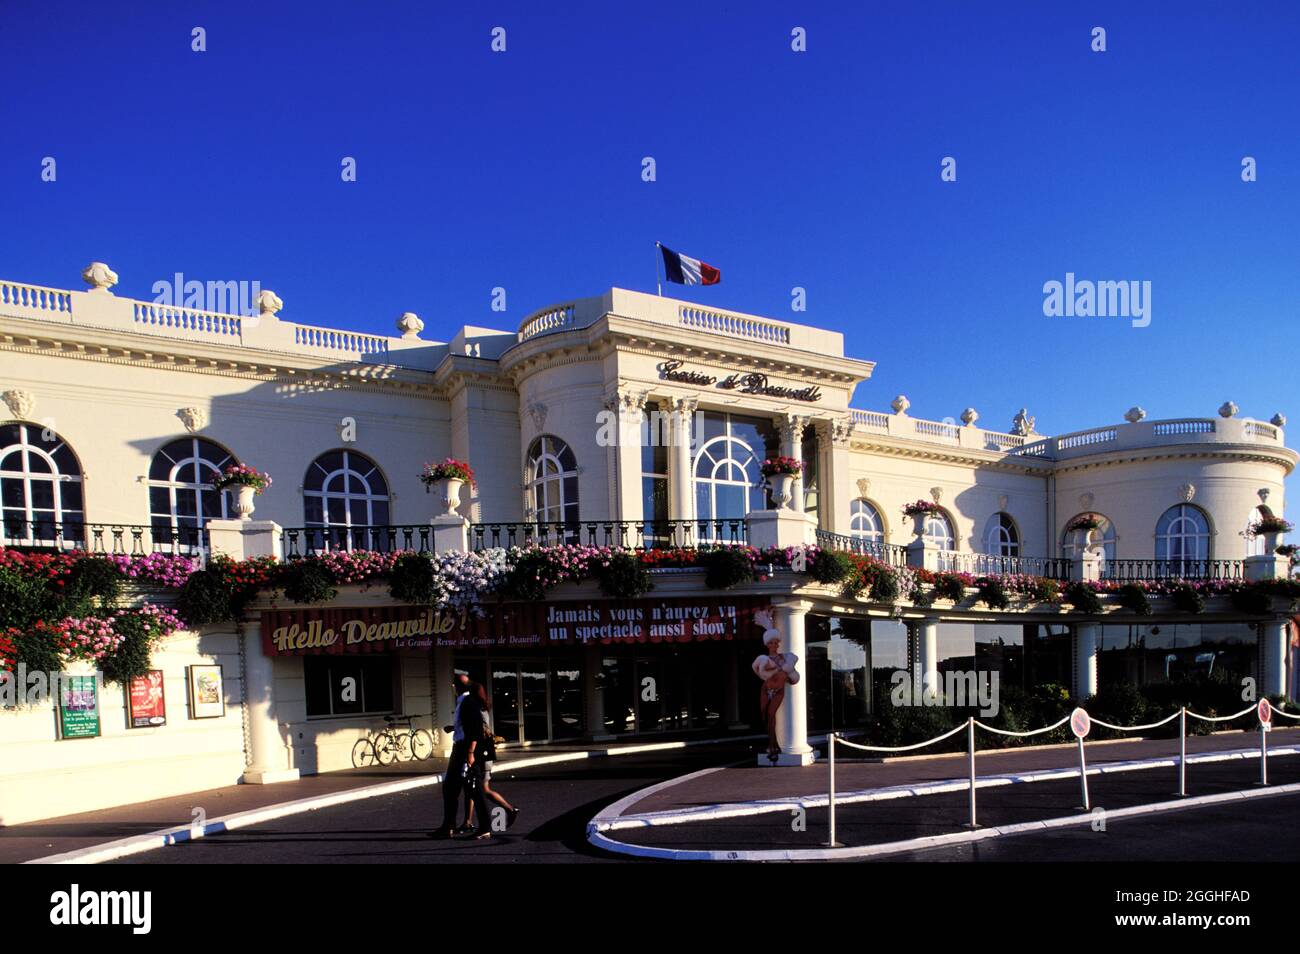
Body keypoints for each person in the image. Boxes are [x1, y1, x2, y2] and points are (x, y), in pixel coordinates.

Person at [428, 673, 491, 839]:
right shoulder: (463, 702)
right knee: (450, 788)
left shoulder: (468, 702)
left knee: (475, 790)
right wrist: (454, 727)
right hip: (460, 749)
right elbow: (468, 726)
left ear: (455, 686)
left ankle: (485, 828)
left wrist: (470, 754)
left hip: (466, 751)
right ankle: (448, 826)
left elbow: (476, 730)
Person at [458, 681, 519, 833]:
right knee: (471, 788)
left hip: (481, 755)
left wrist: (470, 753)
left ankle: (509, 809)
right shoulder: (482, 707)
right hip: (482, 753)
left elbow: (477, 732)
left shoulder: (477, 710)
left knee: (482, 789)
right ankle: (467, 821)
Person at [751, 608, 799, 761]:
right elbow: (755, 669)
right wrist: (764, 676)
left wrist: (787, 674)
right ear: (767, 644)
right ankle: (773, 744)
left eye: (775, 642)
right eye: (770, 642)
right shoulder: (764, 659)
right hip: (766, 689)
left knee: (772, 714)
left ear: (778, 643)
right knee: (765, 716)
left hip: (778, 691)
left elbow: (793, 677)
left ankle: (773, 745)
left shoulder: (787, 658)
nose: (774, 645)